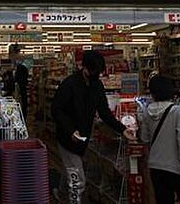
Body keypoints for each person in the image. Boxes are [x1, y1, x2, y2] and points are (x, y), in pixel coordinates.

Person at [51, 51, 135, 204]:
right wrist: (70, 131)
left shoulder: (97, 85)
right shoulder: (69, 84)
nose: (97, 75)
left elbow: (104, 112)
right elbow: (56, 110)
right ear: (84, 68)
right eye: (94, 72)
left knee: (71, 169)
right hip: (67, 139)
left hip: (83, 138)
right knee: (78, 180)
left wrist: (122, 129)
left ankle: (61, 194)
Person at [139, 75, 180, 204]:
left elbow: (144, 138)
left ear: (152, 93)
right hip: (177, 167)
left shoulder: (147, 112)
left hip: (156, 166)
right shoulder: (179, 112)